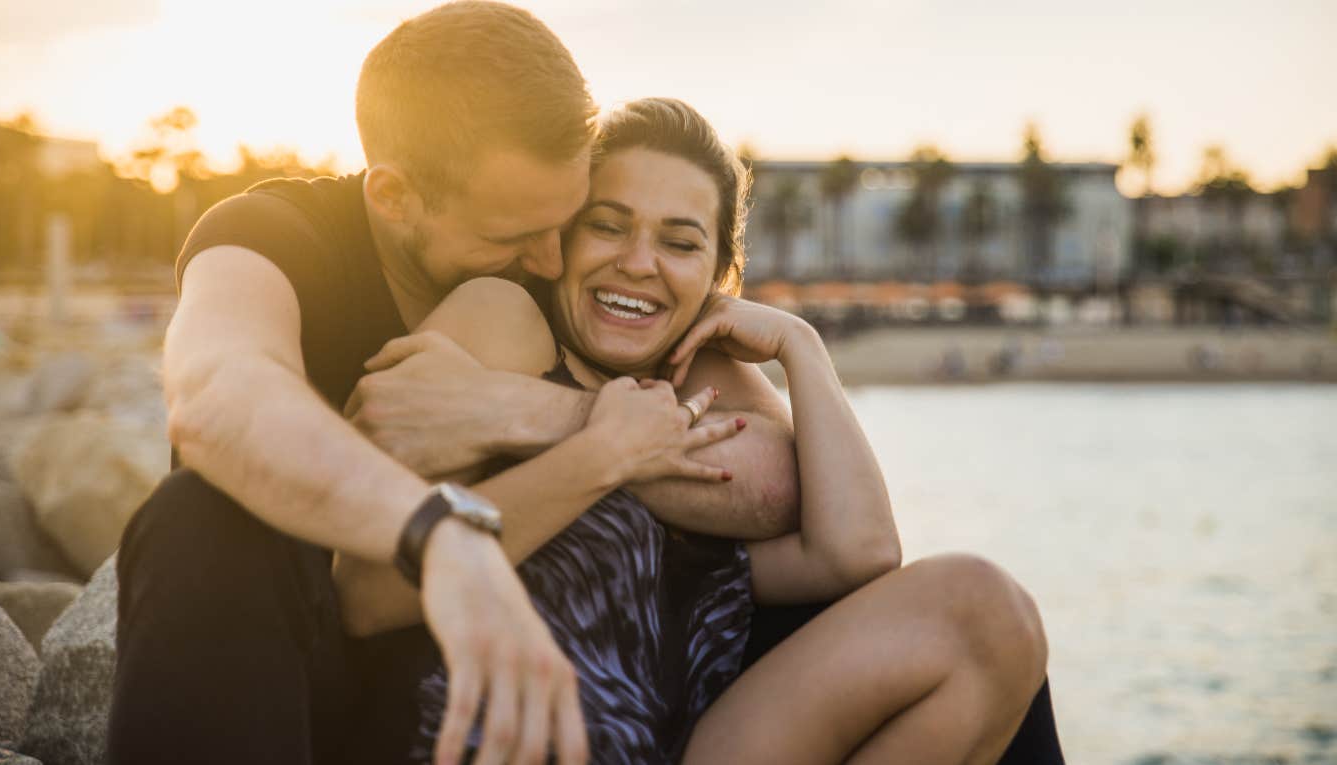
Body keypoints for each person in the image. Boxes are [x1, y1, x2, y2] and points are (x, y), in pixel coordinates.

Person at [106, 5, 799, 765]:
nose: (548, 261)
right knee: (201, 518)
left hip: (510, 693)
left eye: (565, 222)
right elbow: (216, 395)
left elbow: (768, 465)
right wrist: (431, 530)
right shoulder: (275, 237)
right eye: (513, 235)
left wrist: (546, 412)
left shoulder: (555, 268)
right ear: (394, 196)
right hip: (304, 674)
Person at [336, 98, 1054, 764]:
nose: (637, 262)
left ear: (717, 278)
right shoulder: (504, 324)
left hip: (685, 742)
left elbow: (858, 553)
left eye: (679, 242)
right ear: (557, 240)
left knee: (992, 617)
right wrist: (598, 451)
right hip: (507, 739)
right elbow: (364, 593)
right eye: (607, 225)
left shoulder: (703, 400)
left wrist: (801, 345)